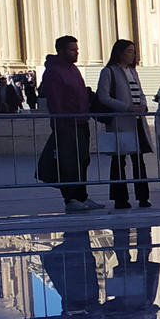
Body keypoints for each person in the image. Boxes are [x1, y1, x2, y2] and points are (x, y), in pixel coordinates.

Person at [38, 36, 100, 211]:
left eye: (77, 49)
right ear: (62, 51)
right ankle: (70, 198)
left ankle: (81, 196)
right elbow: (55, 101)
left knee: (82, 160)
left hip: (81, 121)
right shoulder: (54, 72)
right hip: (66, 124)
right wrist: (59, 123)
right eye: (72, 49)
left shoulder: (73, 69)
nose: (76, 52)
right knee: (68, 162)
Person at [95, 39, 154, 209]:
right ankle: (120, 198)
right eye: (129, 51)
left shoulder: (133, 72)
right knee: (119, 161)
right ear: (119, 53)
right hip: (120, 122)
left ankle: (143, 197)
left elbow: (140, 92)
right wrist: (127, 107)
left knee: (139, 160)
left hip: (137, 122)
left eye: (133, 51)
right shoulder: (108, 71)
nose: (132, 55)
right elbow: (103, 96)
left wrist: (142, 105)